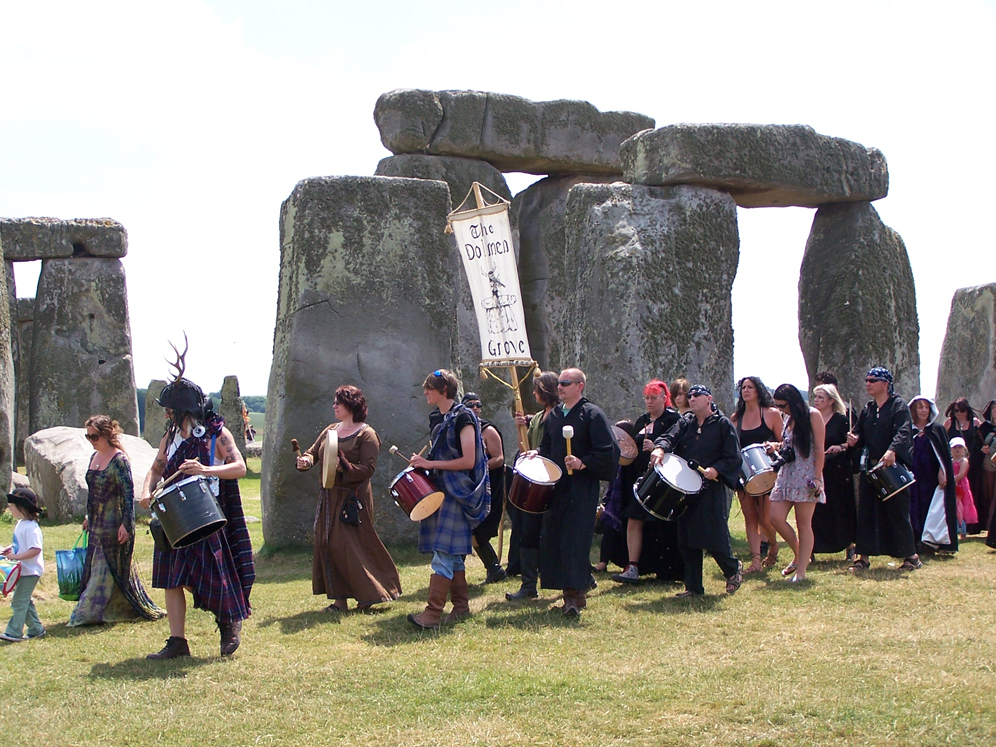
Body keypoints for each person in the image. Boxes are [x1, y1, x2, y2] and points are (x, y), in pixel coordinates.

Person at [140, 375, 255, 659]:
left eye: (170, 410)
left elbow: (239, 467)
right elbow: (155, 469)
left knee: (211, 576)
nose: (166, 414)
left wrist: (205, 469)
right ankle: (178, 641)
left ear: (184, 411)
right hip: (171, 516)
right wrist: (146, 491)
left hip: (204, 515)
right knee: (172, 579)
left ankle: (228, 619)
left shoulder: (217, 434)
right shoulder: (169, 438)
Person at [297, 385, 401, 613]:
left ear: (352, 405)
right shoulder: (330, 431)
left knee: (352, 547)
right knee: (328, 544)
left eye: (338, 402)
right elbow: (313, 452)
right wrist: (305, 460)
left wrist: (343, 465)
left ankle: (371, 594)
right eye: (334, 402)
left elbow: (367, 469)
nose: (334, 406)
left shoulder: (367, 434)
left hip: (353, 499)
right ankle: (339, 601)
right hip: (329, 496)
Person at [528, 368, 618, 616]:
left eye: (565, 383)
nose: (560, 387)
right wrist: (537, 452)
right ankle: (576, 593)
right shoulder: (555, 415)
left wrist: (583, 462)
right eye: (559, 383)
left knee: (575, 540)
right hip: (557, 487)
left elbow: (608, 452)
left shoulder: (592, 415)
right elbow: (547, 444)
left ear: (579, 386)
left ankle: (572, 596)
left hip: (581, 488)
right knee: (556, 538)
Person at [408, 369, 490, 629]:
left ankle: (432, 614)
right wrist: (424, 466)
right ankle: (461, 606)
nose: (425, 393)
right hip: (442, 490)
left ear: (444, 390)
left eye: (429, 388)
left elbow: (469, 460)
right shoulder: (443, 418)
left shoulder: (463, 416)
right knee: (451, 553)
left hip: (457, 491)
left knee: (443, 552)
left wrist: (430, 462)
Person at [69, 415, 165, 626]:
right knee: (96, 567)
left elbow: (127, 494)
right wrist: (87, 516)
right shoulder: (94, 457)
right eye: (88, 436)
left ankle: (85, 613)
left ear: (106, 434)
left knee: (104, 567)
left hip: (113, 524)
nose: (91, 440)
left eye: (94, 436)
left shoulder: (119, 460)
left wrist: (126, 525)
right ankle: (113, 608)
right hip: (96, 523)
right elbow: (93, 493)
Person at [651, 384, 743, 598]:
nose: (691, 399)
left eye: (696, 395)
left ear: (709, 398)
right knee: (686, 538)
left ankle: (732, 569)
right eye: (689, 395)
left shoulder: (723, 425)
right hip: (686, 487)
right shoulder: (686, 422)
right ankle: (693, 588)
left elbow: (733, 457)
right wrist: (660, 447)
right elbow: (668, 437)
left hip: (711, 486)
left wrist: (716, 469)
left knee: (713, 535)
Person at [845, 367, 922, 572]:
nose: (868, 383)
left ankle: (911, 557)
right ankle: (863, 558)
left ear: (885, 384)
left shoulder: (898, 406)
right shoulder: (868, 408)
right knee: (867, 512)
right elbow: (859, 432)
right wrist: (854, 439)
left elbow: (904, 431)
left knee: (897, 512)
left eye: (873, 380)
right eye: (866, 379)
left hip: (892, 467)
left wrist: (893, 450)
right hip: (871, 467)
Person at [612, 380, 682, 584]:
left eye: (654, 398)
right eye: (647, 398)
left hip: (663, 481)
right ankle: (632, 566)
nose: (649, 402)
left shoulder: (674, 420)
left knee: (662, 524)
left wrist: (656, 448)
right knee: (634, 519)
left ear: (664, 398)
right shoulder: (642, 420)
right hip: (638, 481)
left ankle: (666, 569)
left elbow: (678, 447)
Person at [505, 371, 559, 601]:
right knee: (527, 530)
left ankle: (582, 577)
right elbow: (527, 441)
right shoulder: (538, 417)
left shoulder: (558, 416)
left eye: (537, 389)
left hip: (550, 480)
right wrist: (523, 424)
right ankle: (528, 585)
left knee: (553, 533)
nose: (534, 393)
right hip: (533, 480)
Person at [766, 384, 825, 583]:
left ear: (793, 401)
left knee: (803, 523)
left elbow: (818, 447)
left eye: (783, 405)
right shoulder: (787, 418)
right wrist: (775, 447)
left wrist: (817, 477)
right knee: (775, 517)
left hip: (807, 474)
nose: (781, 409)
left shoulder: (813, 415)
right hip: (787, 473)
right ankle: (800, 555)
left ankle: (801, 571)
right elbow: (788, 444)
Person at [730, 376, 783, 573]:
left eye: (750, 387)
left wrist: (775, 445)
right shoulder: (736, 418)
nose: (746, 390)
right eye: (743, 387)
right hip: (744, 475)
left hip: (768, 473)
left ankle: (773, 546)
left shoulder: (771, 414)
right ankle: (755, 562)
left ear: (758, 391)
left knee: (766, 518)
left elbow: (786, 442)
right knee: (750, 517)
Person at [461, 392, 507, 584]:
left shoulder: (488, 430)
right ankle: (457, 573)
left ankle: (494, 569)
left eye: (478, 404)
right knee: (467, 530)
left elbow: (499, 458)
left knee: (477, 531)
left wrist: (480, 466)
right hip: (470, 487)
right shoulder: (463, 429)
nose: (476, 408)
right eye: (471, 405)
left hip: (489, 487)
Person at [811, 385, 857, 558]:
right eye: (816, 397)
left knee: (839, 509)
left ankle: (848, 545)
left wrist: (840, 446)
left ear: (831, 400)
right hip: (816, 470)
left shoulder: (841, 420)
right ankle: (813, 547)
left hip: (837, 471)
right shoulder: (811, 419)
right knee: (816, 510)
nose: (817, 401)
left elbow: (852, 443)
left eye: (821, 398)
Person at [907, 396, 957, 552]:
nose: (923, 411)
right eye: (920, 407)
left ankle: (929, 541)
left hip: (931, 479)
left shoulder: (937, 430)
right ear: (914, 410)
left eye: (926, 407)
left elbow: (944, 456)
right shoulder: (908, 430)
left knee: (931, 509)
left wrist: (943, 471)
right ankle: (914, 541)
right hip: (913, 477)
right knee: (913, 508)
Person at [0, 488, 46, 642]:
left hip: (31, 571)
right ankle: (36, 629)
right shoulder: (21, 524)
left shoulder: (32, 527)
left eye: (12, 505)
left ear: (22, 507)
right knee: (25, 601)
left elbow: (35, 549)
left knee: (19, 601)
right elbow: (20, 544)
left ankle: (14, 632)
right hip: (22, 570)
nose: (10, 508)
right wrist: (10, 549)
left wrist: (16, 556)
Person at [944, 398, 985, 533]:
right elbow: (942, 441)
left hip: (973, 464)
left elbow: (984, 441)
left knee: (972, 493)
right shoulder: (949, 423)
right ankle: (955, 525)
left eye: (962, 410)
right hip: (954, 464)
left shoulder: (975, 423)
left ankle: (973, 526)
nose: (959, 413)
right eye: (956, 411)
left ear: (967, 411)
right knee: (955, 496)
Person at [950, 437, 979, 540]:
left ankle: (963, 531)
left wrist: (950, 480)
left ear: (964, 449)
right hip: (952, 487)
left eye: (960, 447)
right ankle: (955, 529)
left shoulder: (964, 461)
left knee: (962, 508)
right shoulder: (950, 461)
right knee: (954, 508)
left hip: (962, 487)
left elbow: (961, 474)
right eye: (955, 447)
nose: (957, 449)